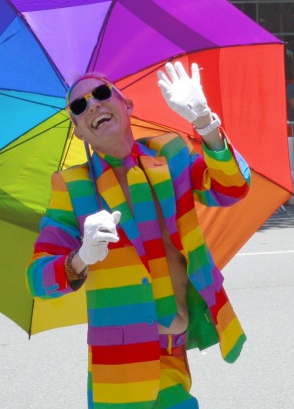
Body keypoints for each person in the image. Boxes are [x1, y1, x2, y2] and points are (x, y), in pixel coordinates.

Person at [26, 61, 250, 408]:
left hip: (174, 352)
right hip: (121, 368)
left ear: (126, 105)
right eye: (79, 106)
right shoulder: (72, 187)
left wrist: (205, 122)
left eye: (101, 93)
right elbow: (38, 279)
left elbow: (231, 188)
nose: (93, 105)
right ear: (80, 133)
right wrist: (81, 257)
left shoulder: (170, 154)